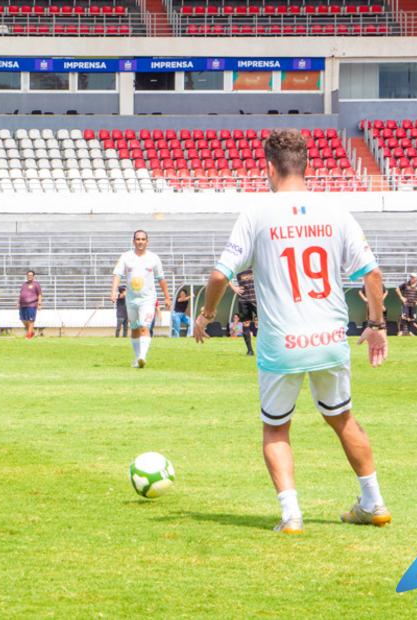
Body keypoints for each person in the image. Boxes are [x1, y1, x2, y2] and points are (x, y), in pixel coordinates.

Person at [193, 129, 391, 535]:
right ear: (307, 166)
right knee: (342, 418)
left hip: (281, 343)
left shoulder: (257, 213)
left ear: (268, 168)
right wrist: (376, 325)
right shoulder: (336, 211)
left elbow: (218, 275)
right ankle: (374, 501)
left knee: (276, 427)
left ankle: (291, 516)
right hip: (328, 339)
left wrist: (206, 314)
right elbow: (372, 274)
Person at [111, 230, 172, 368]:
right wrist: (113, 291)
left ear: (147, 241)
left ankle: (142, 357)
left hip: (148, 300)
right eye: (138, 239)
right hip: (131, 300)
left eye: (143, 239)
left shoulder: (154, 258)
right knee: (134, 329)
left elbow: (161, 279)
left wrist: (167, 297)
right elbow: (117, 275)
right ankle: (138, 357)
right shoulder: (126, 257)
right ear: (133, 241)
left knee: (144, 327)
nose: (140, 241)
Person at [229, 268, 257, 356]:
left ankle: (268, 349)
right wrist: (234, 287)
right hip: (243, 300)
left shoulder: (255, 264)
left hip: (257, 299)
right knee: (246, 323)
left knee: (265, 323)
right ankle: (250, 350)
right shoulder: (239, 266)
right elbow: (225, 276)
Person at [18, 270, 43, 339]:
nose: (29, 276)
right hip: (23, 305)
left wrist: (39, 304)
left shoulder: (36, 284)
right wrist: (18, 302)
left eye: (31, 275)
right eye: (28, 275)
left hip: (32, 304)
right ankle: (31, 332)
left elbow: (40, 294)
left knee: (31, 320)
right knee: (23, 320)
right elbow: (21, 294)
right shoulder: (24, 284)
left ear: (33, 276)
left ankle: (29, 335)